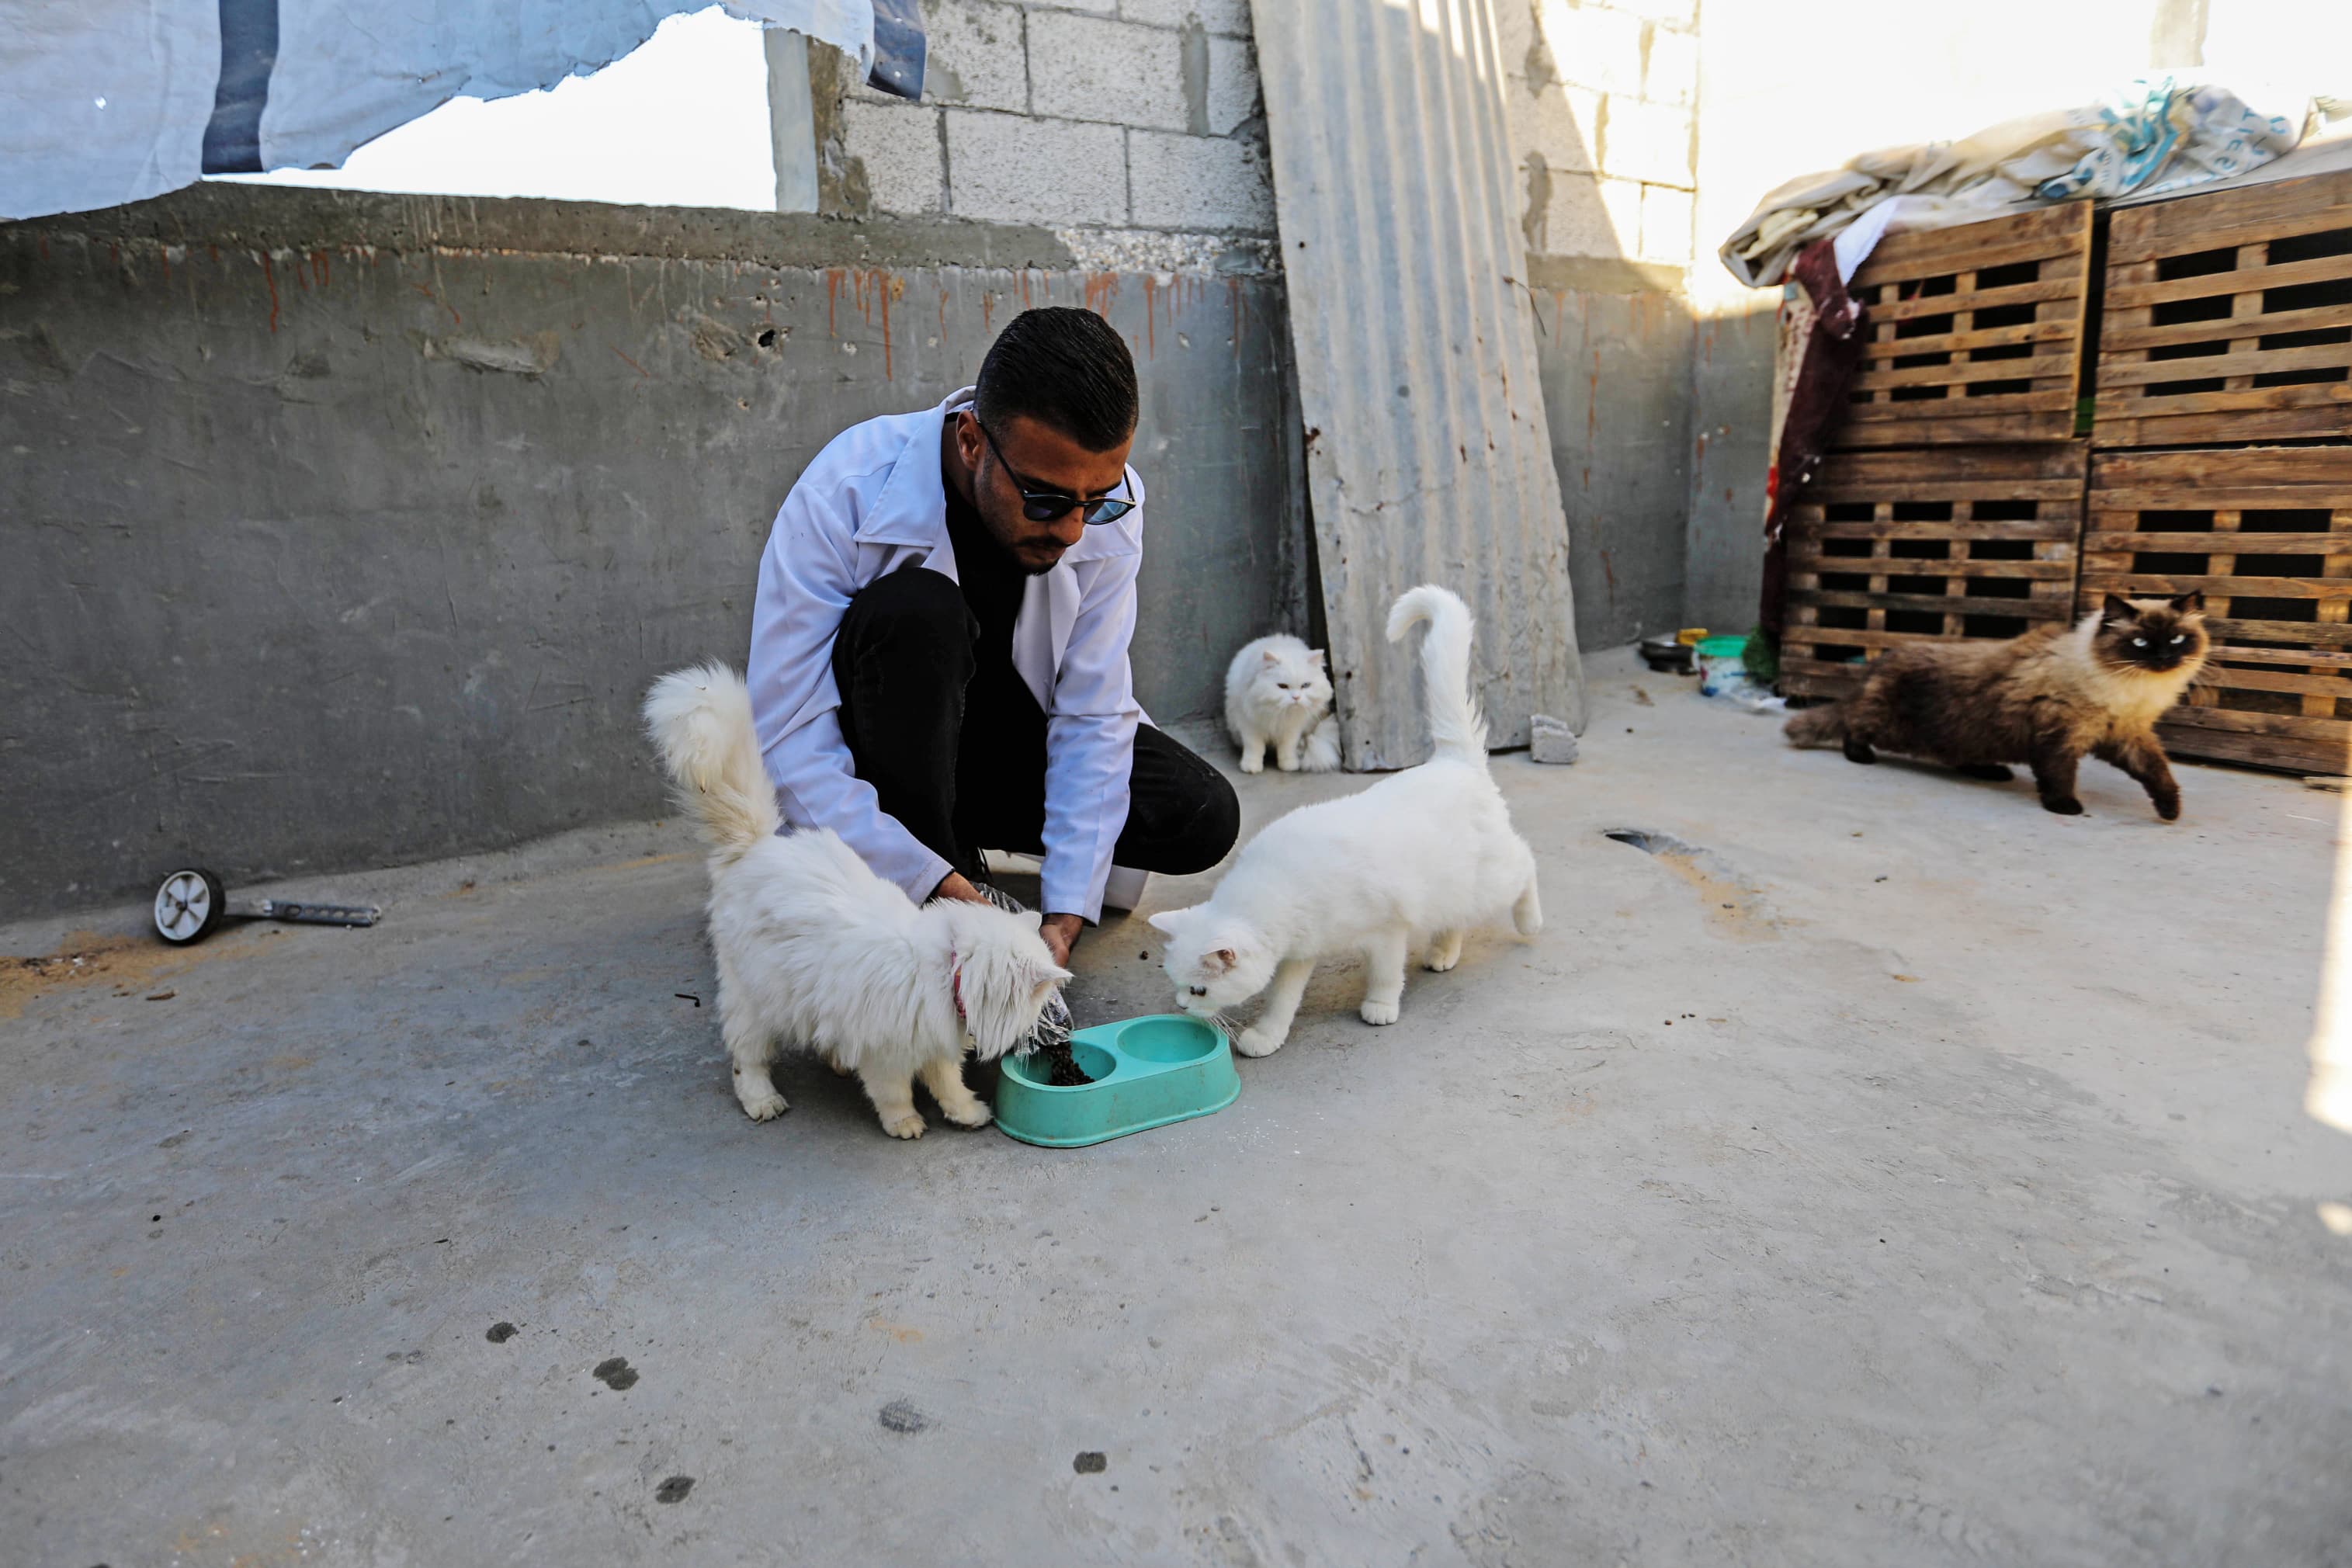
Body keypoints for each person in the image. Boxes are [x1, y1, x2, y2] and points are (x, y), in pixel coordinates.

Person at [746, 307, 1241, 970]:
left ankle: (959, 832)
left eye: (1096, 501)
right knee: (917, 612)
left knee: (1199, 814)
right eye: (1045, 499)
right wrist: (932, 885)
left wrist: (1066, 906)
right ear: (973, 441)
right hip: (882, 740)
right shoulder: (846, 491)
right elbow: (789, 737)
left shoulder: (1103, 508)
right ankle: (935, 855)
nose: (1072, 529)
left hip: (990, 743)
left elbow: (1093, 707)